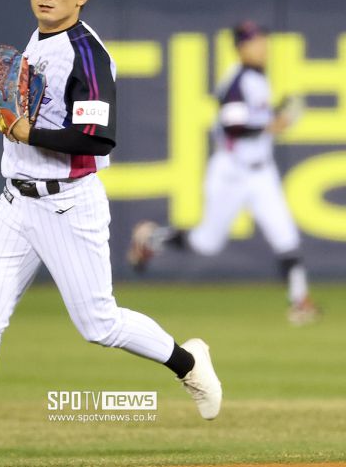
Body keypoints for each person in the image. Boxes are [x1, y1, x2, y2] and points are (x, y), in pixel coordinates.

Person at [0, 0, 222, 461]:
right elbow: (25, 107)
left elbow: (98, 138)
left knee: (100, 324)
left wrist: (27, 131)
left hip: (68, 204)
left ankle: (188, 363)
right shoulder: (37, 38)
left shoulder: (87, 55)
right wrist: (11, 112)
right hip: (15, 201)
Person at [128, 21, 320, 326]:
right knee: (207, 243)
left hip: (262, 172)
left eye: (262, 40)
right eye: (254, 42)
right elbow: (233, 126)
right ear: (240, 48)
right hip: (232, 173)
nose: (262, 46)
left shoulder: (258, 78)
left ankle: (300, 302)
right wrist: (272, 124)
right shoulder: (236, 82)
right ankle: (151, 239)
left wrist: (273, 118)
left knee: (286, 237)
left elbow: (255, 119)